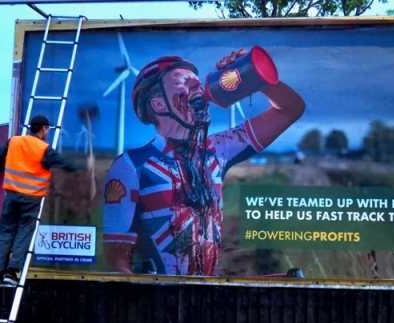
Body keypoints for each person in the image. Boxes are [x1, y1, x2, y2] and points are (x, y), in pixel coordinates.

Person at [102, 49, 305, 276]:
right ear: (158, 105)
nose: (198, 88)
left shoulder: (216, 150)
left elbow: (291, 109)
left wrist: (252, 76)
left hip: (207, 296)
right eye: (185, 83)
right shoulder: (131, 166)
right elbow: (118, 265)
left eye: (197, 83)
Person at [0, 115, 93, 285]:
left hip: (12, 195)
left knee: (6, 232)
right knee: (24, 231)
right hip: (31, 198)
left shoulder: (14, 141)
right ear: (44, 128)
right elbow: (64, 163)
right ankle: (11, 271)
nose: (48, 132)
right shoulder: (43, 149)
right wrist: (86, 166)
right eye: (48, 129)